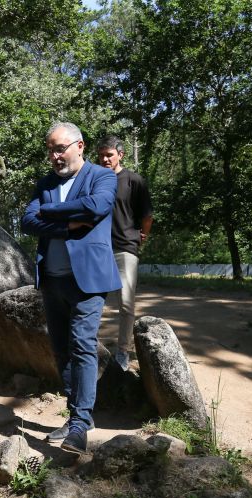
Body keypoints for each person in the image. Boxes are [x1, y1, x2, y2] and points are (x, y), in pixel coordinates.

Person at [21, 122, 121, 454]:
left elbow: (97, 208)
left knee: (82, 346)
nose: (54, 156)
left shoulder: (102, 177)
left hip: (88, 280)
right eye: (50, 149)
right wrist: (66, 224)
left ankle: (79, 423)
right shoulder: (46, 183)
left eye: (60, 148)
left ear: (80, 146)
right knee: (61, 350)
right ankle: (78, 413)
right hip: (52, 278)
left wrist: (47, 212)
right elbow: (27, 221)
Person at [97, 136, 154, 371]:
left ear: (120, 154)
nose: (104, 159)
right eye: (101, 155)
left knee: (126, 305)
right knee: (92, 303)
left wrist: (144, 235)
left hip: (125, 249)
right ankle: (92, 350)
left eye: (109, 154)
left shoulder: (134, 181)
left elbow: (147, 215)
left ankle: (123, 352)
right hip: (98, 250)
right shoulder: (95, 180)